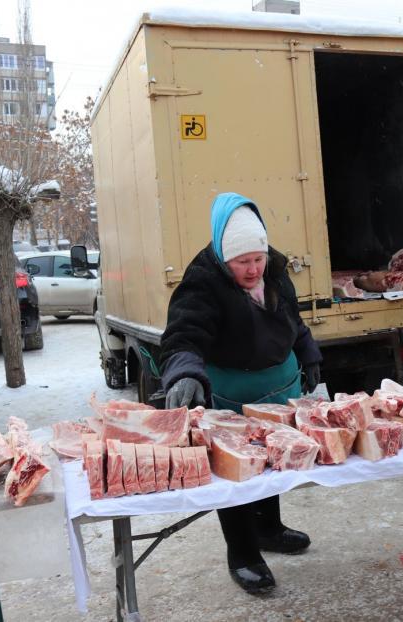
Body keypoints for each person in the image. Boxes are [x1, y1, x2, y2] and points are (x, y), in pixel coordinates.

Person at [160, 192, 323, 595]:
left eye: (257, 259)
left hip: (278, 385)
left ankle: (268, 528)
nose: (253, 270)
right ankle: (244, 553)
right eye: (242, 263)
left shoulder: (276, 271)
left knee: (272, 464)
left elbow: (293, 320)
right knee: (236, 474)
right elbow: (184, 333)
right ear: (223, 256)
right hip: (231, 393)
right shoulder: (202, 281)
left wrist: (309, 352)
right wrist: (184, 373)